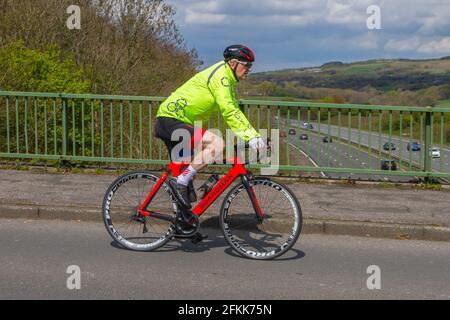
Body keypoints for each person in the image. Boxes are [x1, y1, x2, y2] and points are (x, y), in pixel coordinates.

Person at [155, 44, 265, 210]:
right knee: (217, 145)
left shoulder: (226, 78)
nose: (249, 69)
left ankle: (183, 227)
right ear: (233, 63)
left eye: (250, 65)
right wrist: (252, 136)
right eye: (246, 64)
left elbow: (231, 110)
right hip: (171, 120)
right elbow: (229, 110)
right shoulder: (221, 77)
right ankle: (181, 181)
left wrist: (253, 137)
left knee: (188, 185)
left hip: (181, 122)